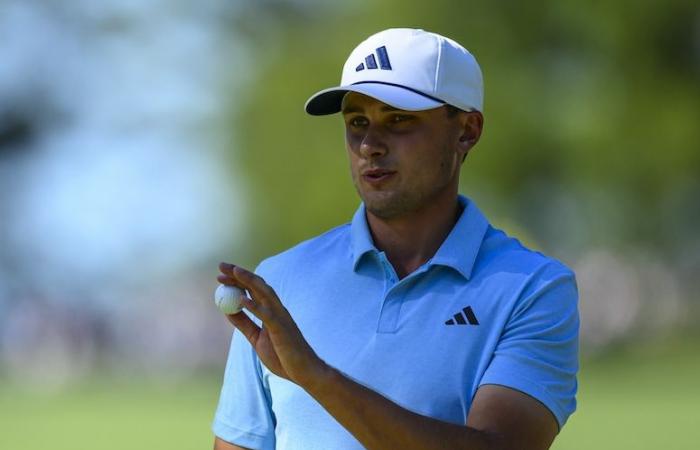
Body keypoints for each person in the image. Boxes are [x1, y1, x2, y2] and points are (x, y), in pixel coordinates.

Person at [212, 28, 579, 450]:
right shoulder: (279, 280)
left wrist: (314, 376)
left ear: (467, 130)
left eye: (399, 119)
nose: (369, 144)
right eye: (356, 123)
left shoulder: (533, 288)